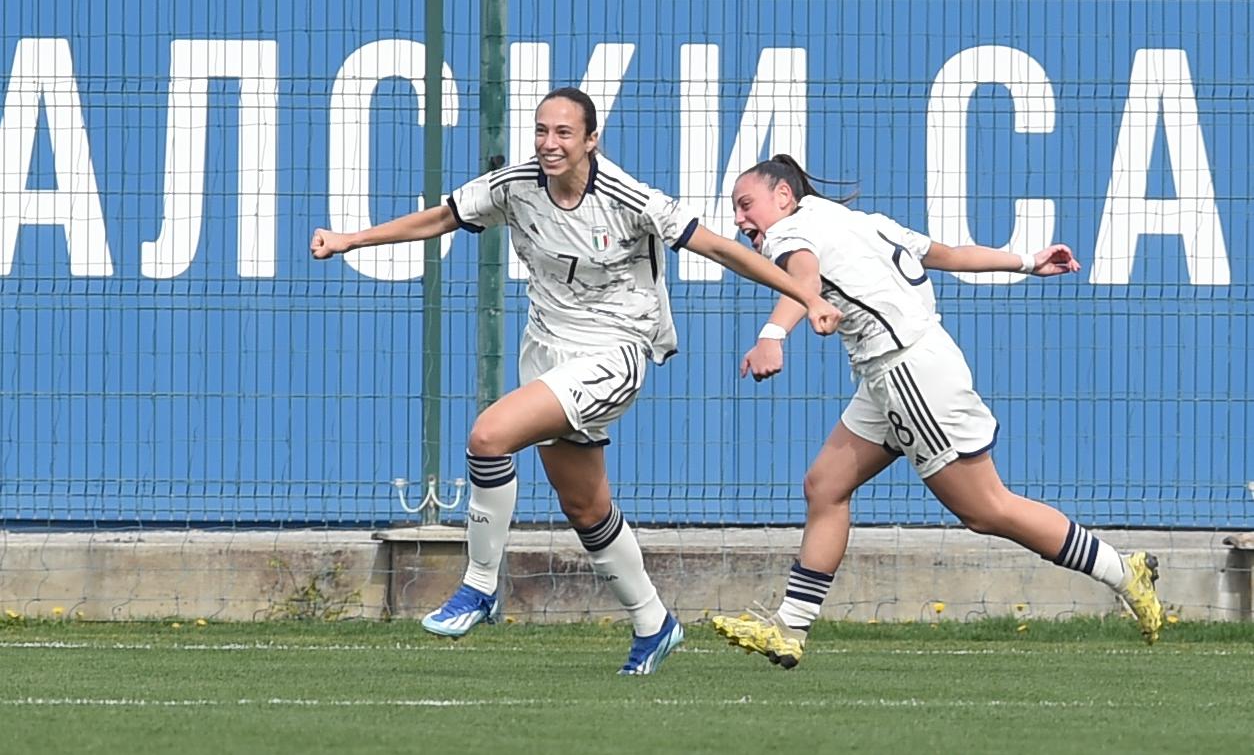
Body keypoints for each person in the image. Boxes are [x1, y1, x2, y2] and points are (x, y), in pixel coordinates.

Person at [311, 90, 840, 675]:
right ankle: (654, 623)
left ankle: (480, 585)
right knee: (585, 505)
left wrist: (807, 296)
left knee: (489, 436)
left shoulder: (629, 197)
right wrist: (351, 240)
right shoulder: (514, 185)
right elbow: (442, 217)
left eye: (563, 133)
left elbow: (721, 249)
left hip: (617, 350)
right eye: (541, 131)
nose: (548, 144)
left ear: (591, 140)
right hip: (546, 348)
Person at [711, 154, 1164, 669]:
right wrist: (1026, 262)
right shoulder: (862, 223)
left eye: (747, 205)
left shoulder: (789, 233)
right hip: (896, 370)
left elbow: (805, 280)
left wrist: (773, 336)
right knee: (825, 486)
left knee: (985, 508)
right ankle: (788, 630)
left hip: (908, 373)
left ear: (785, 198)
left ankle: (1122, 570)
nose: (741, 219)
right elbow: (945, 254)